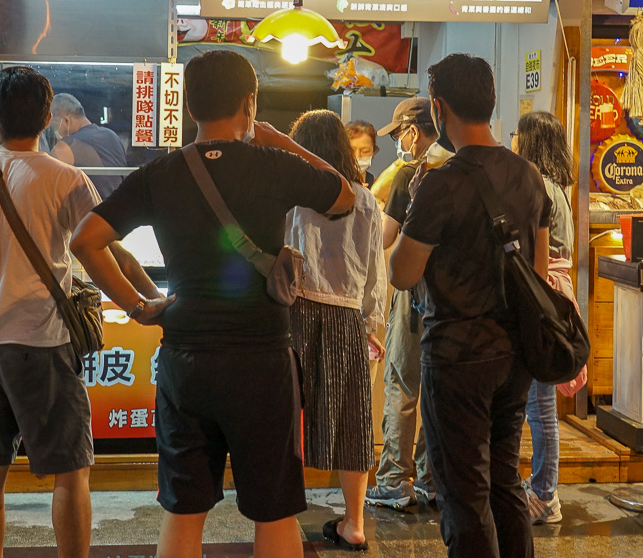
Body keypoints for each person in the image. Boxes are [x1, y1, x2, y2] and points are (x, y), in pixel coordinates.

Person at [70, 49, 355, 558]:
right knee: (273, 512)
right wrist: (282, 141)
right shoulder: (272, 165)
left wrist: (138, 305)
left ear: (190, 106)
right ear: (250, 102)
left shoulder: (159, 173)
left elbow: (86, 240)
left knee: (184, 511)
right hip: (263, 362)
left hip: (186, 361)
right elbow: (344, 197)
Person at [0, 66, 165, 558]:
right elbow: (110, 253)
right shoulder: (66, 179)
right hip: (41, 344)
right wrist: (142, 304)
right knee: (71, 471)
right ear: (49, 117)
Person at [389, 53, 550, 558]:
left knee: (464, 493)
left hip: (458, 356)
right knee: (504, 481)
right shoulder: (529, 176)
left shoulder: (439, 183)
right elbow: (539, 274)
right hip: (515, 354)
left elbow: (402, 273)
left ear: (438, 108)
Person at [286, 110, 387, 550]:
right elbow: (375, 275)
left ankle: (281, 519)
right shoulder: (366, 201)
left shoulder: (288, 196)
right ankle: (355, 522)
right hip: (347, 317)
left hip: (294, 314)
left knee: (285, 418)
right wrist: (374, 326)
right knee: (351, 421)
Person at [365, 98, 447, 511]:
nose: (398, 142)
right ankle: (433, 480)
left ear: (413, 132)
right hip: (452, 300)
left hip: (414, 294)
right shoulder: (460, 167)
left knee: (402, 383)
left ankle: (395, 480)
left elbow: (382, 239)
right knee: (436, 387)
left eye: (398, 134)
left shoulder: (409, 174)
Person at [511, 111, 578, 525]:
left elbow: (534, 254)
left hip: (543, 293)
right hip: (558, 291)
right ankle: (542, 488)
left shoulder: (540, 189)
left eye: (518, 134)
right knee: (541, 402)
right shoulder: (561, 189)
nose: (512, 140)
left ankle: (545, 494)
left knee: (540, 404)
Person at [51, 92, 129, 201]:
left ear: (65, 121)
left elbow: (53, 194)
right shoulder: (112, 135)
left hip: (91, 215)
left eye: (54, 128)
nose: (55, 134)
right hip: (120, 210)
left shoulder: (65, 147)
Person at [346, 119, 379, 187]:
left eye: (365, 151)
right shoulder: (334, 184)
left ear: (373, 152)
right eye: (351, 151)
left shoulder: (376, 186)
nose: (357, 156)